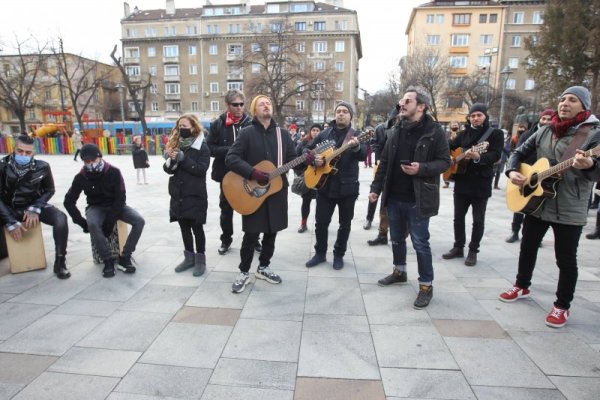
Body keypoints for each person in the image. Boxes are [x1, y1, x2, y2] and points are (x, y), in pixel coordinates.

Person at [499, 86, 600, 328]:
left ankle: (562, 306)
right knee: (528, 245)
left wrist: (587, 165)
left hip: (570, 204)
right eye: (563, 99)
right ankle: (522, 285)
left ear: (584, 106)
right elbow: (519, 152)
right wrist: (513, 171)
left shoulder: (593, 134)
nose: (565, 103)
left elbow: (596, 172)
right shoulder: (546, 129)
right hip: (538, 202)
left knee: (565, 258)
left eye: (572, 100)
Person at [369, 89, 450, 309]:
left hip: (419, 198)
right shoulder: (395, 129)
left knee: (420, 243)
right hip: (394, 196)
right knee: (396, 238)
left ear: (421, 106)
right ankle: (399, 271)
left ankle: (426, 286)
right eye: (401, 101)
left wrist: (421, 168)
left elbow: (445, 162)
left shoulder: (434, 132)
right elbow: (384, 162)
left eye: (407, 101)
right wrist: (376, 188)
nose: (401, 104)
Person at [225, 95, 298, 293]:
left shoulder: (282, 134)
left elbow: (292, 158)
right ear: (254, 110)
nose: (266, 105)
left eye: (268, 103)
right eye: (261, 104)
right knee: (250, 235)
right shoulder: (246, 133)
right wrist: (252, 172)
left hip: (276, 191)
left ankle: (263, 267)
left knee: (271, 232)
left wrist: (306, 159)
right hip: (252, 192)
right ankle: (243, 271)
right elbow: (231, 158)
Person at [64, 143, 145, 278]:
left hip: (116, 205)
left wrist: (110, 221)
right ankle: (107, 260)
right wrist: (82, 223)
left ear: (99, 157)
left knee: (139, 221)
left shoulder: (113, 171)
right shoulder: (81, 177)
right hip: (96, 206)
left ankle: (125, 257)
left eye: (93, 160)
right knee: (93, 224)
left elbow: (120, 197)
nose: (90, 163)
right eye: (86, 161)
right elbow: (68, 201)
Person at [305, 101, 367, 270]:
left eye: (345, 111)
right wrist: (313, 159)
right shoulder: (325, 133)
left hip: (347, 188)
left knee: (344, 224)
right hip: (325, 186)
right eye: (338, 111)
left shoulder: (358, 134)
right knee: (321, 223)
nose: (341, 114)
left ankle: (339, 254)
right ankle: (320, 253)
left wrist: (356, 148)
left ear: (350, 116)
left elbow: (363, 154)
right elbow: (305, 150)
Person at [0, 135, 71, 279]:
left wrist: (36, 207)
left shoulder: (42, 167)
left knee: (60, 218)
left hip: (31, 206)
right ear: (14, 149)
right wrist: (9, 221)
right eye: (20, 151)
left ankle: (60, 261)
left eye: (28, 152)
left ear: (33, 152)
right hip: (7, 208)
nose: (23, 155)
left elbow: (49, 190)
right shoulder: (2, 166)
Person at [442, 103, 504, 266]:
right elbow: (449, 146)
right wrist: (449, 158)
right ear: (469, 118)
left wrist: (478, 157)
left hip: (481, 183)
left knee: (478, 220)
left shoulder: (495, 134)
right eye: (473, 115)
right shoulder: (464, 133)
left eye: (479, 115)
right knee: (458, 218)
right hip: (462, 181)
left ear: (485, 116)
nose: (476, 118)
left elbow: (496, 155)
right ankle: (458, 247)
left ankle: (473, 251)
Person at [206, 89, 253, 255]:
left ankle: (254, 240)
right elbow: (209, 148)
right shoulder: (217, 124)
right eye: (235, 104)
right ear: (227, 105)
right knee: (226, 209)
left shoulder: (251, 123)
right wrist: (231, 151)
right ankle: (226, 240)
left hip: (247, 174)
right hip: (226, 175)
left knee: (251, 207)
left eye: (242, 104)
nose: (239, 108)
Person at [164, 114, 210, 277]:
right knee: (183, 227)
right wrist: (170, 160)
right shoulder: (177, 144)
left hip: (195, 194)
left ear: (193, 127)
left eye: (185, 126)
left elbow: (201, 169)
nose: (181, 129)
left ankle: (200, 260)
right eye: (179, 126)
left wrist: (184, 160)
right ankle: (189, 258)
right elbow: (169, 170)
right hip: (179, 194)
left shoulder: (202, 146)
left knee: (197, 228)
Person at [505, 108, 553, 243]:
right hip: (526, 173)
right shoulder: (527, 135)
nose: (546, 122)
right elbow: (518, 153)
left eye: (549, 119)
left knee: (537, 205)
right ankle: (515, 231)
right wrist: (515, 170)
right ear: (540, 119)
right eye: (544, 118)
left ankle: (536, 237)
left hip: (543, 176)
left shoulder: (553, 136)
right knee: (519, 208)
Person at [365, 107, 400, 242]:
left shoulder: (405, 129)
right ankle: (369, 218)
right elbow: (375, 144)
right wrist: (379, 158)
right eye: (397, 118)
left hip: (396, 170)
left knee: (388, 200)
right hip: (381, 165)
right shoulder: (381, 128)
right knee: (374, 192)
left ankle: (386, 232)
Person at [296, 123, 321, 233]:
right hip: (307, 176)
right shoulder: (304, 143)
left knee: (321, 202)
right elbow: (296, 158)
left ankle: (319, 223)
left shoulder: (324, 143)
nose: (315, 132)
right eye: (313, 130)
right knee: (306, 201)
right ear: (310, 131)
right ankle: (303, 223)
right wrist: (300, 173)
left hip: (321, 177)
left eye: (317, 130)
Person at [443, 121, 461, 188]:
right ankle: (446, 182)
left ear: (458, 126)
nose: (454, 125)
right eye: (453, 124)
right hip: (448, 151)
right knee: (448, 167)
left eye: (456, 124)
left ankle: (457, 181)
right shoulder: (447, 134)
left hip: (458, 151)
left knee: (457, 167)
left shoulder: (461, 134)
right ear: (450, 126)